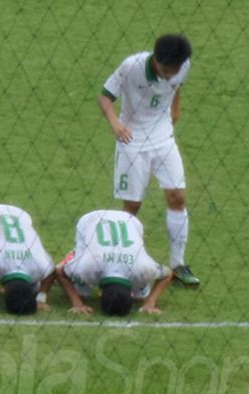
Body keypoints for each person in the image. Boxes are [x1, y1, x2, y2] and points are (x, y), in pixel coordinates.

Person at [97, 33, 200, 286]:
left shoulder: (182, 66)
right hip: (131, 141)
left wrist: (175, 110)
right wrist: (115, 124)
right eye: (166, 70)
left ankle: (177, 264)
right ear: (156, 60)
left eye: (173, 71)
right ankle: (127, 260)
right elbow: (105, 96)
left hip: (164, 138)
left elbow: (177, 86)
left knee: (178, 196)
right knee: (132, 207)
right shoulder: (131, 67)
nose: (169, 75)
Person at [54, 210, 173, 316]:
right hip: (91, 221)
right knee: (82, 291)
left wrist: (77, 304)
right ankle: (73, 256)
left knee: (141, 296)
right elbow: (59, 270)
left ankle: (75, 260)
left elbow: (168, 274)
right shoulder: (87, 267)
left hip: (129, 221)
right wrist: (149, 304)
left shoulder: (143, 268)